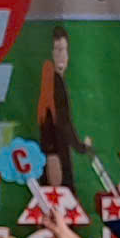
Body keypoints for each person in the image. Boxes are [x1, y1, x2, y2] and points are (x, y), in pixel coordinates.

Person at [35, 24, 90, 191]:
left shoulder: (54, 80)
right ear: (51, 53)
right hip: (57, 156)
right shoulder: (54, 82)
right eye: (58, 50)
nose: (62, 56)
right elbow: (62, 121)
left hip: (55, 153)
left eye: (64, 50)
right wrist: (81, 146)